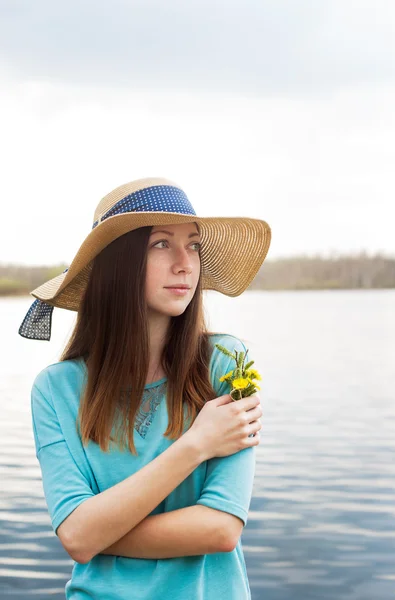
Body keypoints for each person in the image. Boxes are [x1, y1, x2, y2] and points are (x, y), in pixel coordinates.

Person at [18, 176, 272, 600]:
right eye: (161, 244)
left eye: (193, 245)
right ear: (118, 263)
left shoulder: (228, 366)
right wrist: (197, 444)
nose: (185, 263)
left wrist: (95, 529)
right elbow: (77, 537)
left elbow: (222, 528)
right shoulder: (55, 390)